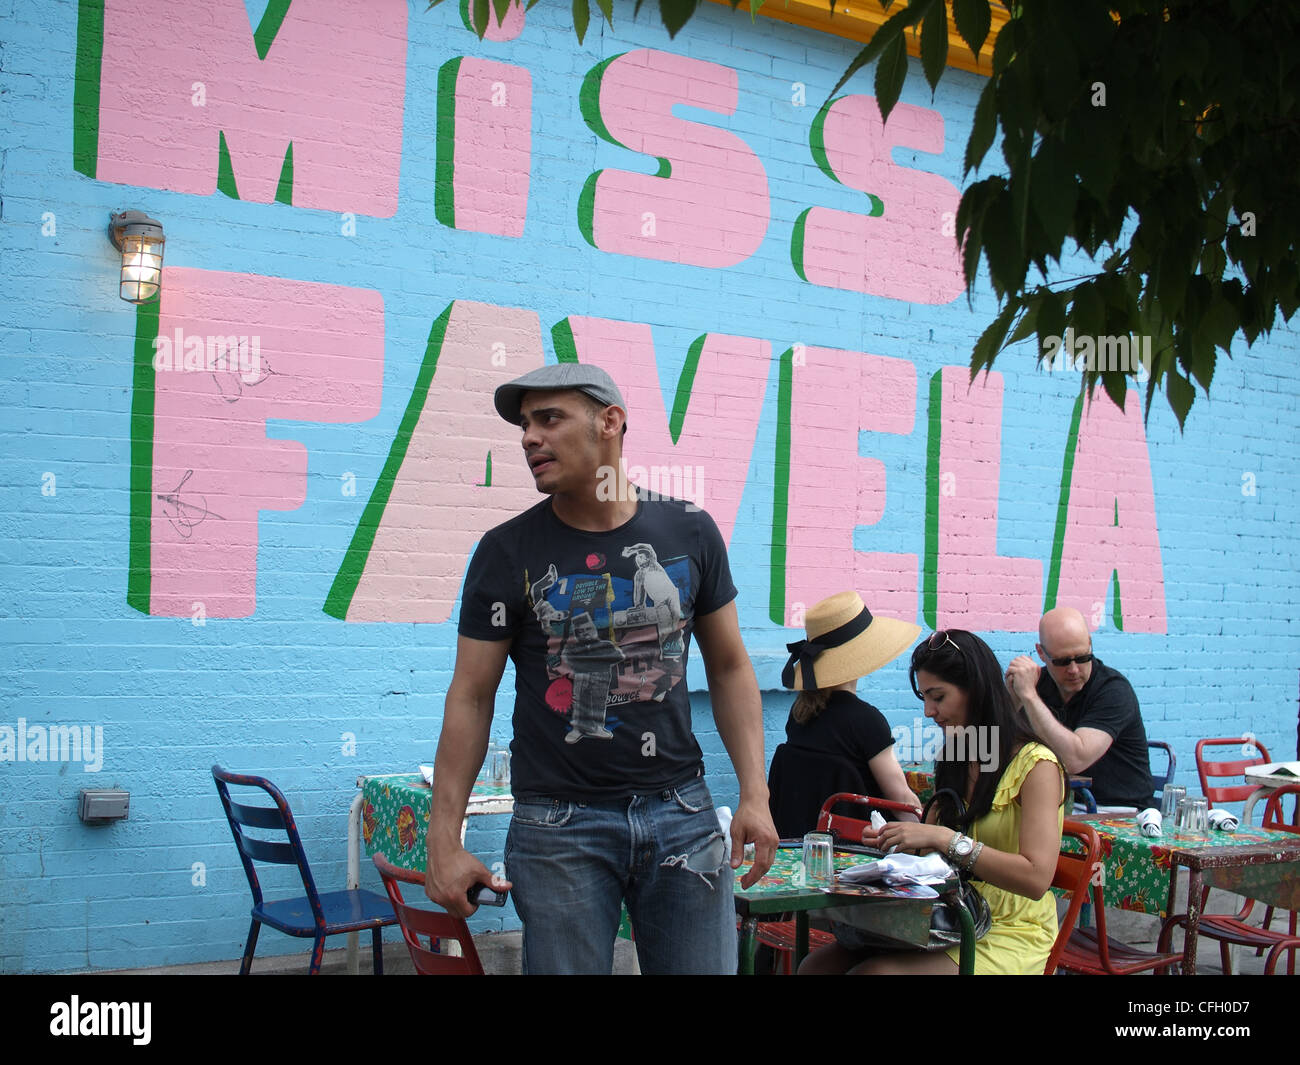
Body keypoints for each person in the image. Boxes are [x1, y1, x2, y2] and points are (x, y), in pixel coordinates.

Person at [423, 362, 778, 974]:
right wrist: (443, 837)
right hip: (558, 826)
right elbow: (472, 696)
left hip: (683, 814)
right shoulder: (506, 552)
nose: (529, 437)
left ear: (610, 422)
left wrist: (755, 794)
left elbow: (729, 667)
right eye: (525, 425)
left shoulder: (690, 530)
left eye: (550, 418)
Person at [800, 630, 1065, 975]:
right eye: (924, 697)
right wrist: (900, 844)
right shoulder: (957, 755)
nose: (928, 711)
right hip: (950, 914)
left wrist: (942, 839)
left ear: (976, 689)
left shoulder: (1037, 765)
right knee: (815, 967)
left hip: (1011, 929)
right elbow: (936, 856)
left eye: (937, 696)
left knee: (876, 974)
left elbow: (1035, 879)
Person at [768, 591, 923, 837]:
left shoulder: (798, 715)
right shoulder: (867, 721)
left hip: (800, 846)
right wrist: (933, 836)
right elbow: (902, 800)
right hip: (857, 850)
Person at [1005, 607, 1154, 811]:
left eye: (1083, 658)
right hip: (1062, 804)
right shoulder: (1038, 684)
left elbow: (1074, 760)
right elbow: (990, 747)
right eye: (1062, 661)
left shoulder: (1114, 690)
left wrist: (1029, 697)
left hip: (1119, 811)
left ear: (1090, 644)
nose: (1074, 669)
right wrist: (1012, 699)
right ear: (1041, 653)